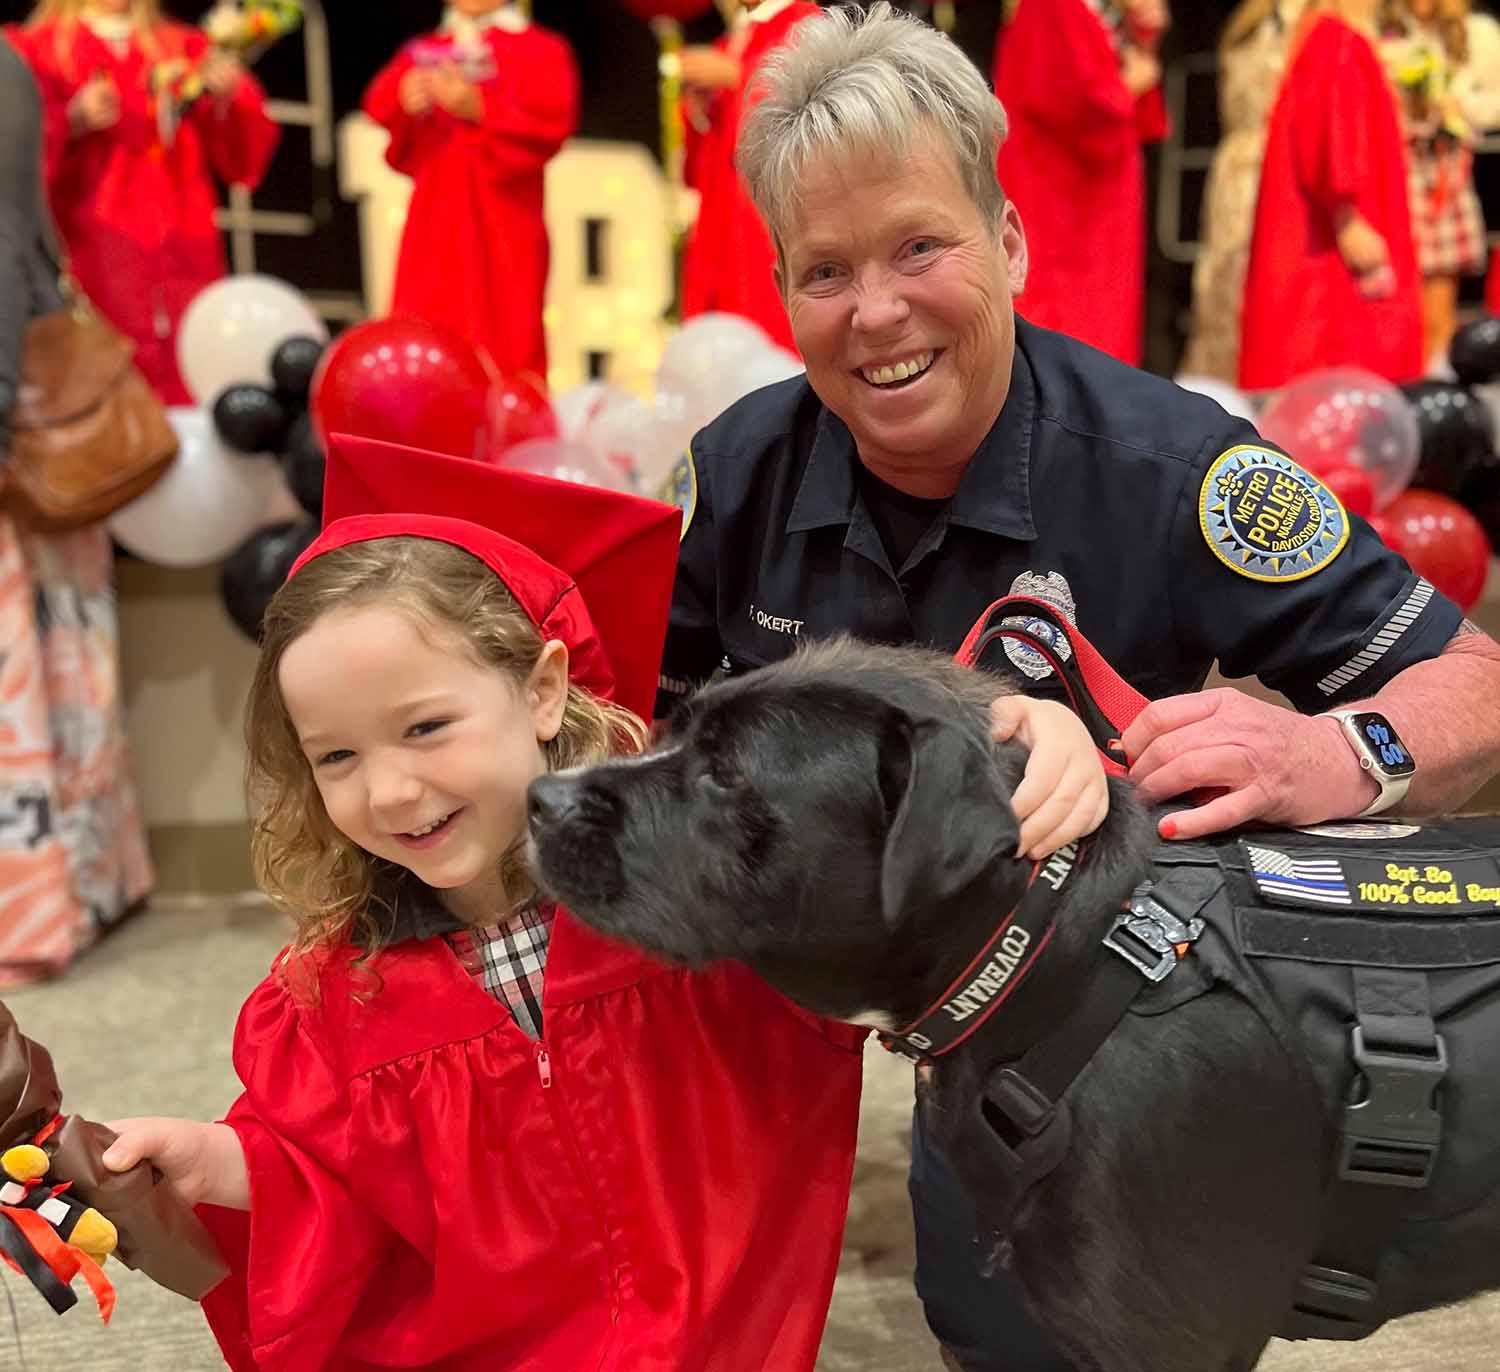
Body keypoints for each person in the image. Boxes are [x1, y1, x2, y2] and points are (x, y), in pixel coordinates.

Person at [657, 4, 1500, 1367]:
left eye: (920, 246)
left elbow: (1475, 681)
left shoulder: (1177, 470)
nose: (875, 312)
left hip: (1099, 1059)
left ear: (1008, 243)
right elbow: (640, 753)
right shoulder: (734, 475)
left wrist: (1335, 757)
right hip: (826, 1049)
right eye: (824, 271)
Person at [96, 434, 1112, 1371]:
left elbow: (899, 865)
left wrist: (1025, 734)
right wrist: (214, 1160)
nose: (392, 789)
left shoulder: (708, 911)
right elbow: (324, 1188)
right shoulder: (329, 1002)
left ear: (541, 692)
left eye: (425, 726)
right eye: (337, 756)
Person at [0, 26, 153, 989]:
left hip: (13, 400)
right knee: (59, 667)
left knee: (25, 680)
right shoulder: (11, 60)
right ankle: (89, 888)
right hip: (25, 389)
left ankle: (35, 915)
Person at [21, 0, 279, 405]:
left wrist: (228, 98)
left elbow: (244, 159)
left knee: (192, 380)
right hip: (92, 250)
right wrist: (70, 120)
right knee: (100, 400)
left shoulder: (185, 47)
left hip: (183, 248)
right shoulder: (38, 49)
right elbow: (14, 158)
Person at [362, 2, 578, 381]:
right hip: (433, 222)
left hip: (504, 221)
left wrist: (478, 107)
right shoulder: (425, 48)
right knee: (425, 332)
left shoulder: (538, 47)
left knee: (505, 336)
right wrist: (406, 97)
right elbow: (379, 105)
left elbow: (553, 119)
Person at [1239, 0, 1423, 390]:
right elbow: (1331, 131)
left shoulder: (1322, 37)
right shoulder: (1336, 41)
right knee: (1340, 369)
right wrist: (1348, 217)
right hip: (1331, 249)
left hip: (1331, 226)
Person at [992, 0, 1169, 367]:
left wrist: (1145, 35)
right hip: (1062, 204)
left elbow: (1146, 119)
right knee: (1068, 333)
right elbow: (1075, 104)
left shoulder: (1100, 11)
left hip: (1094, 203)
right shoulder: (1052, 7)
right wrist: (1128, 86)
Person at [679, 0, 821, 352]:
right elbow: (699, 168)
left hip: (768, 222)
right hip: (722, 222)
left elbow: (811, 109)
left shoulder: (808, 24)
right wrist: (700, 109)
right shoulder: (732, 41)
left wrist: (735, 76)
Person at [1179, 0, 1307, 382]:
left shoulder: (1258, 24)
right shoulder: (1260, 25)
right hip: (1259, 166)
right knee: (1229, 283)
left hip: (1253, 165)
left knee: (1242, 284)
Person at [1380, 0, 1500, 364]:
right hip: (1395, 171)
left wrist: (1458, 106)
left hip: (1446, 171)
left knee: (1439, 302)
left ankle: (1437, 383)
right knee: (1395, 303)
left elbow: (1495, 100)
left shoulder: (1475, 31)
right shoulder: (1385, 28)